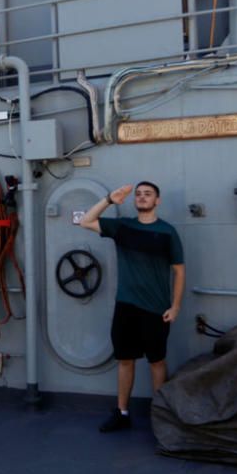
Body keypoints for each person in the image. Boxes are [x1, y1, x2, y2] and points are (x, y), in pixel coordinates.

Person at [78, 181, 185, 433]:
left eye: (148, 194)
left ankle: (161, 415)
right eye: (138, 194)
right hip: (126, 306)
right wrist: (109, 200)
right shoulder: (123, 227)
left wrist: (176, 306)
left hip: (156, 308)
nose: (142, 197)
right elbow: (86, 221)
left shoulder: (168, 232)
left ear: (157, 201)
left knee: (157, 362)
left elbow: (179, 272)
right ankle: (122, 413)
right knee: (125, 360)